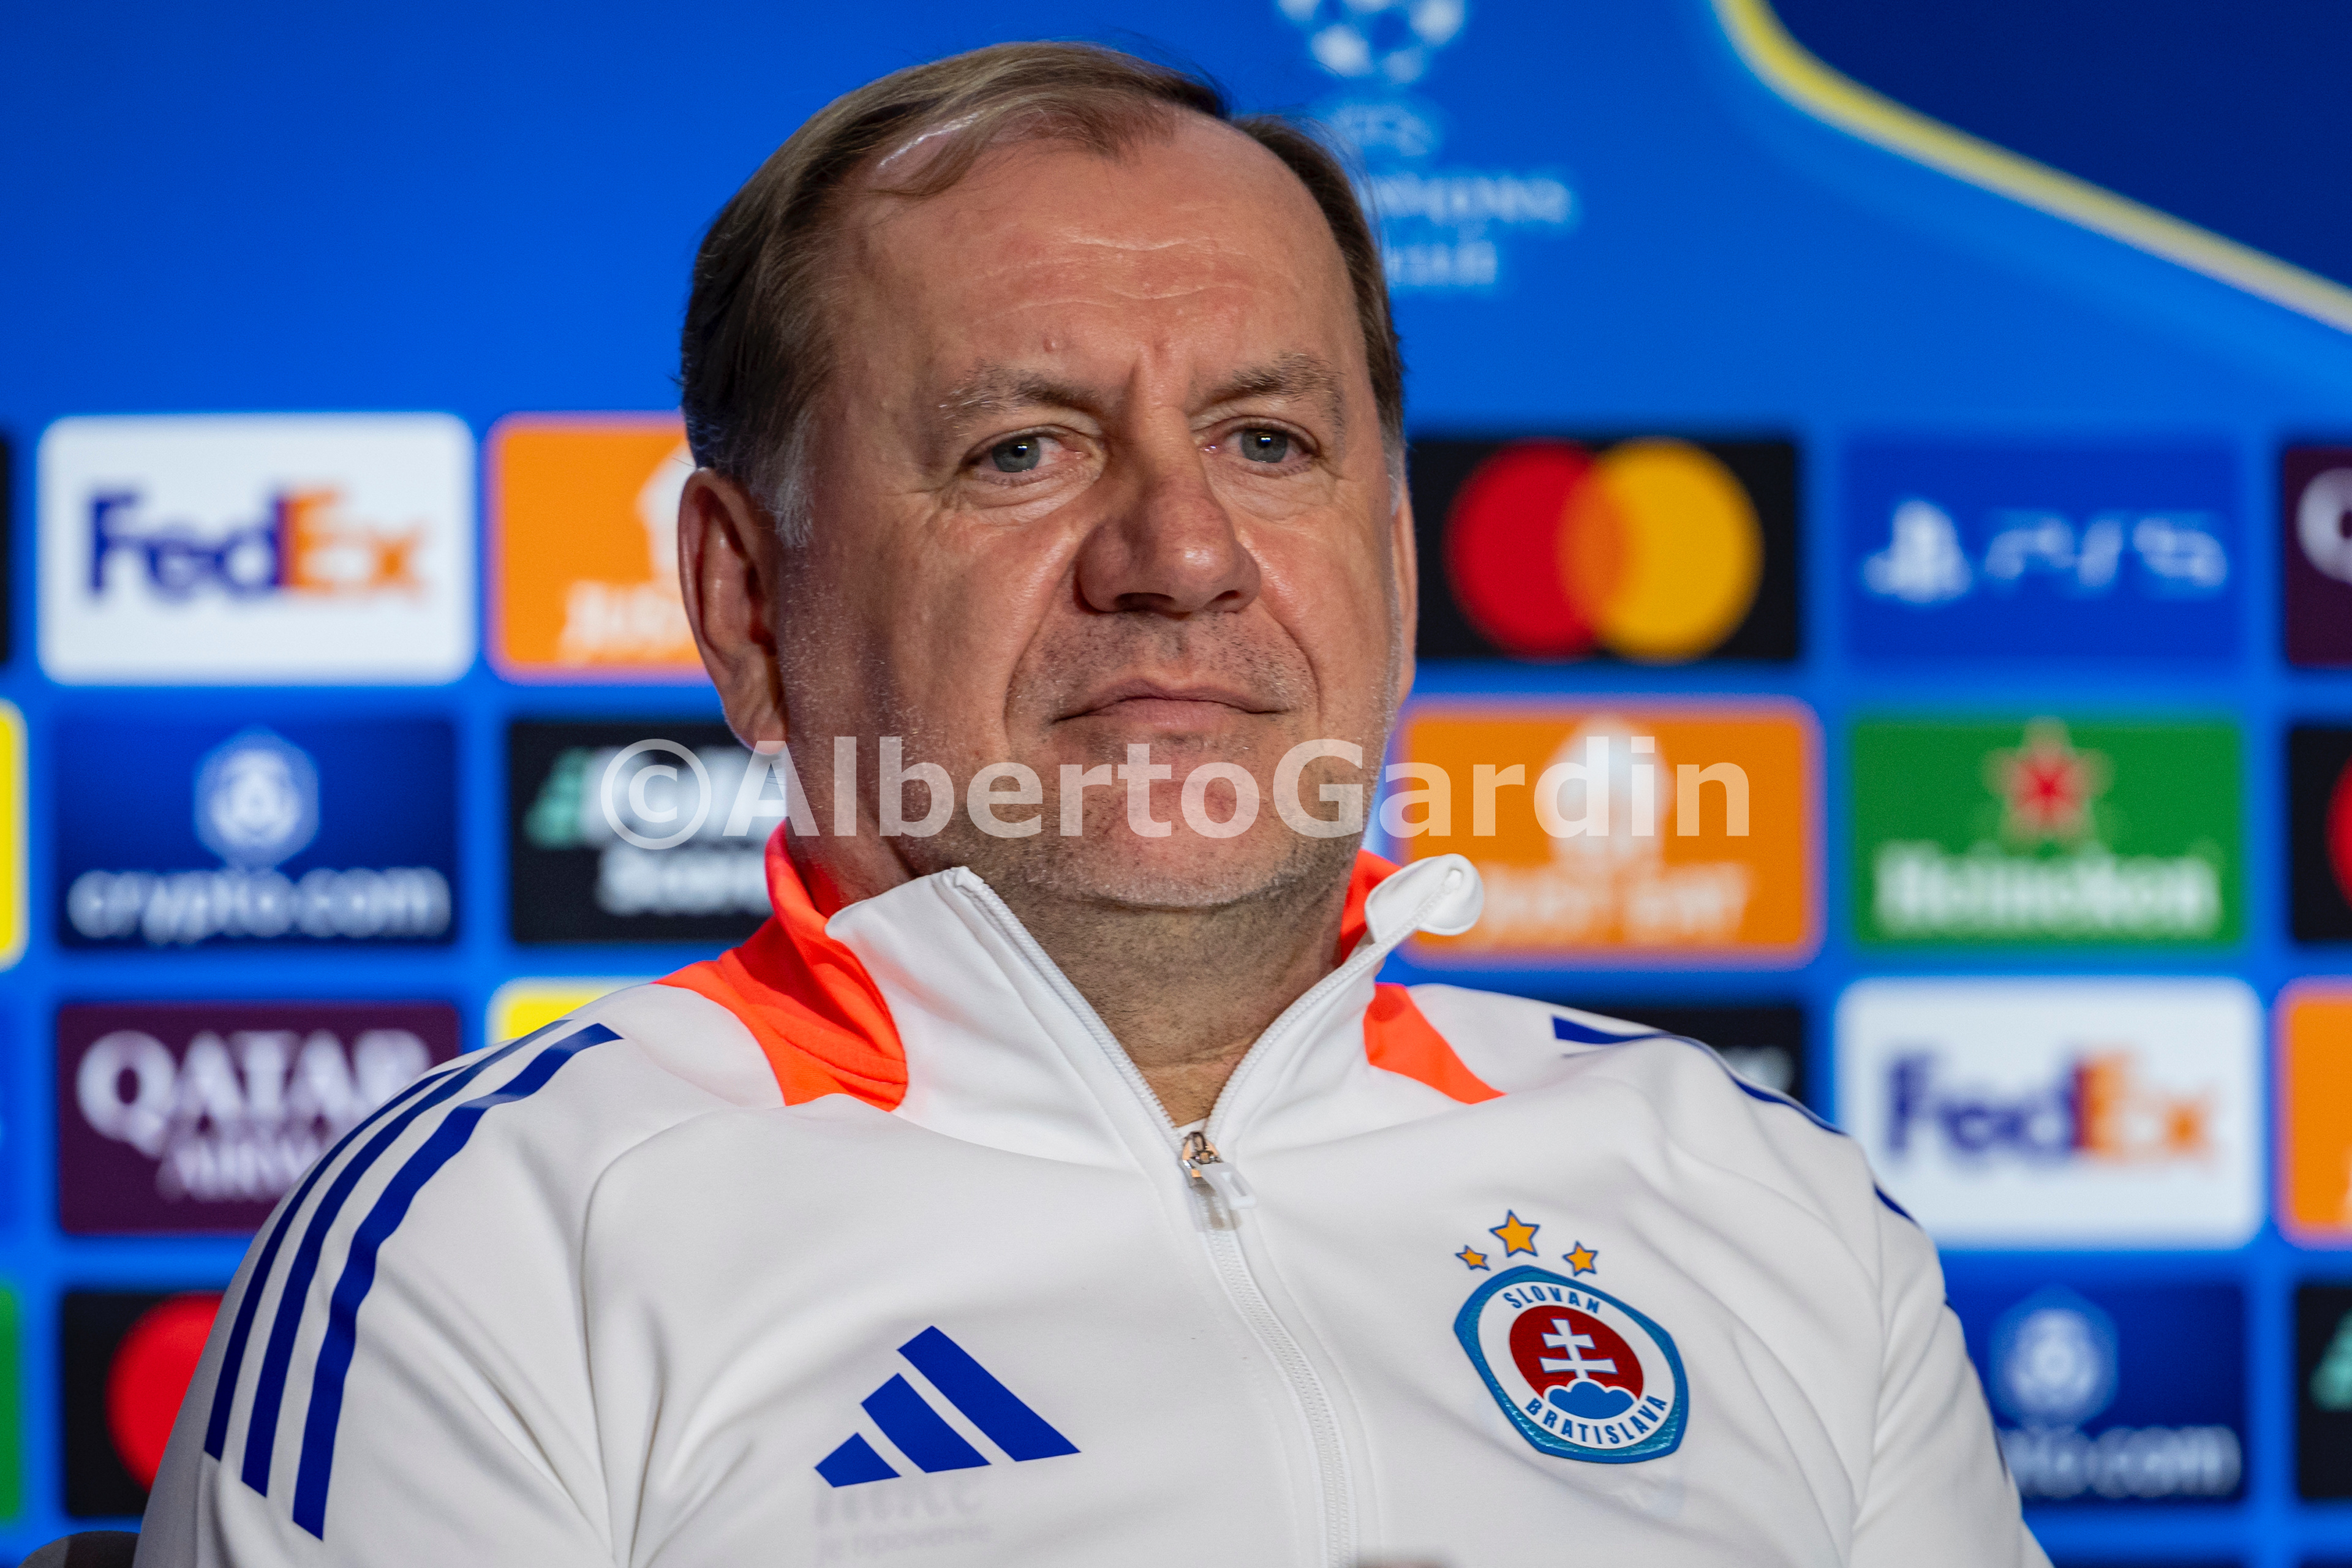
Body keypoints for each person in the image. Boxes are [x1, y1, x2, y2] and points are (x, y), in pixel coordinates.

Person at [140, 42, 2044, 1567]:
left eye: (1267, 441)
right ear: (746, 602)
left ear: (1392, 566)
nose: (1182, 554)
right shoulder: (487, 1243)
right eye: (1022, 449)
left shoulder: (1772, 1208)